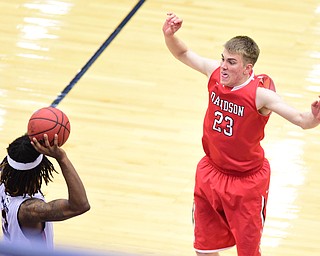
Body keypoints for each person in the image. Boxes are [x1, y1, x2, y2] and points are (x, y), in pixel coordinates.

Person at [162, 12, 320, 256]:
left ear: (248, 68)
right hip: (210, 173)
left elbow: (301, 120)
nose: (224, 66)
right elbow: (183, 54)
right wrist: (170, 35)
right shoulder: (214, 73)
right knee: (204, 249)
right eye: (223, 58)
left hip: (246, 183)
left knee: (247, 252)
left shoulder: (261, 95)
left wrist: (314, 116)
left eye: (231, 62)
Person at [0, 133, 90, 250]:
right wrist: (62, 158)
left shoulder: (4, 176)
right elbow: (80, 205)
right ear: (40, 170)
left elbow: (21, 152)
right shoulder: (30, 211)